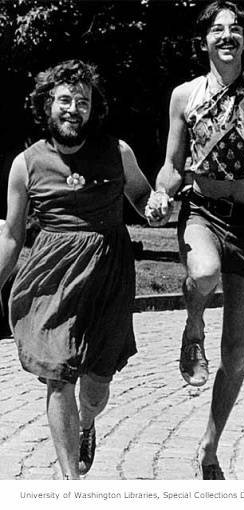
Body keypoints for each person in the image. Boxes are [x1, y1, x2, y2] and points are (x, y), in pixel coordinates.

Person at [146, 0, 244, 479]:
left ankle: (210, 447)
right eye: (217, 29)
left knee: (237, 355)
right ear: (204, 39)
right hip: (203, 213)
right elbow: (171, 164)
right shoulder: (184, 95)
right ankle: (192, 328)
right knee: (204, 272)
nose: (226, 36)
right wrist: (160, 193)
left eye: (235, 29)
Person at [0, 59, 160, 480]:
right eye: (65, 100)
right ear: (47, 105)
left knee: (95, 385)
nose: (73, 109)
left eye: (83, 102)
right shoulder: (26, 164)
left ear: (93, 110)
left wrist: (156, 208)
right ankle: (72, 485)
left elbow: (143, 198)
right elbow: (13, 236)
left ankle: (87, 423)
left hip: (109, 277)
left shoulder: (116, 152)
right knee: (59, 377)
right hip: (52, 279)